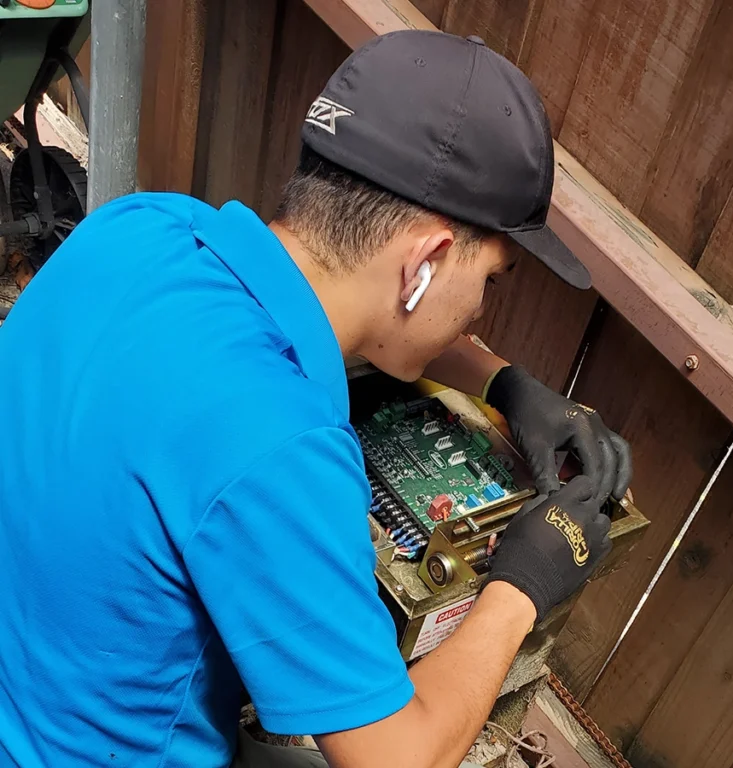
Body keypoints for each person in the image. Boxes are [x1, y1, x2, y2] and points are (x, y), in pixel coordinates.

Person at [0, 29, 631, 768]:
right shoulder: (280, 448)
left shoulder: (142, 227)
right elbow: (398, 758)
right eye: (490, 281)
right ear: (426, 262)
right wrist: (523, 585)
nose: (480, 309)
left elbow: (348, 312)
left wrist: (501, 381)